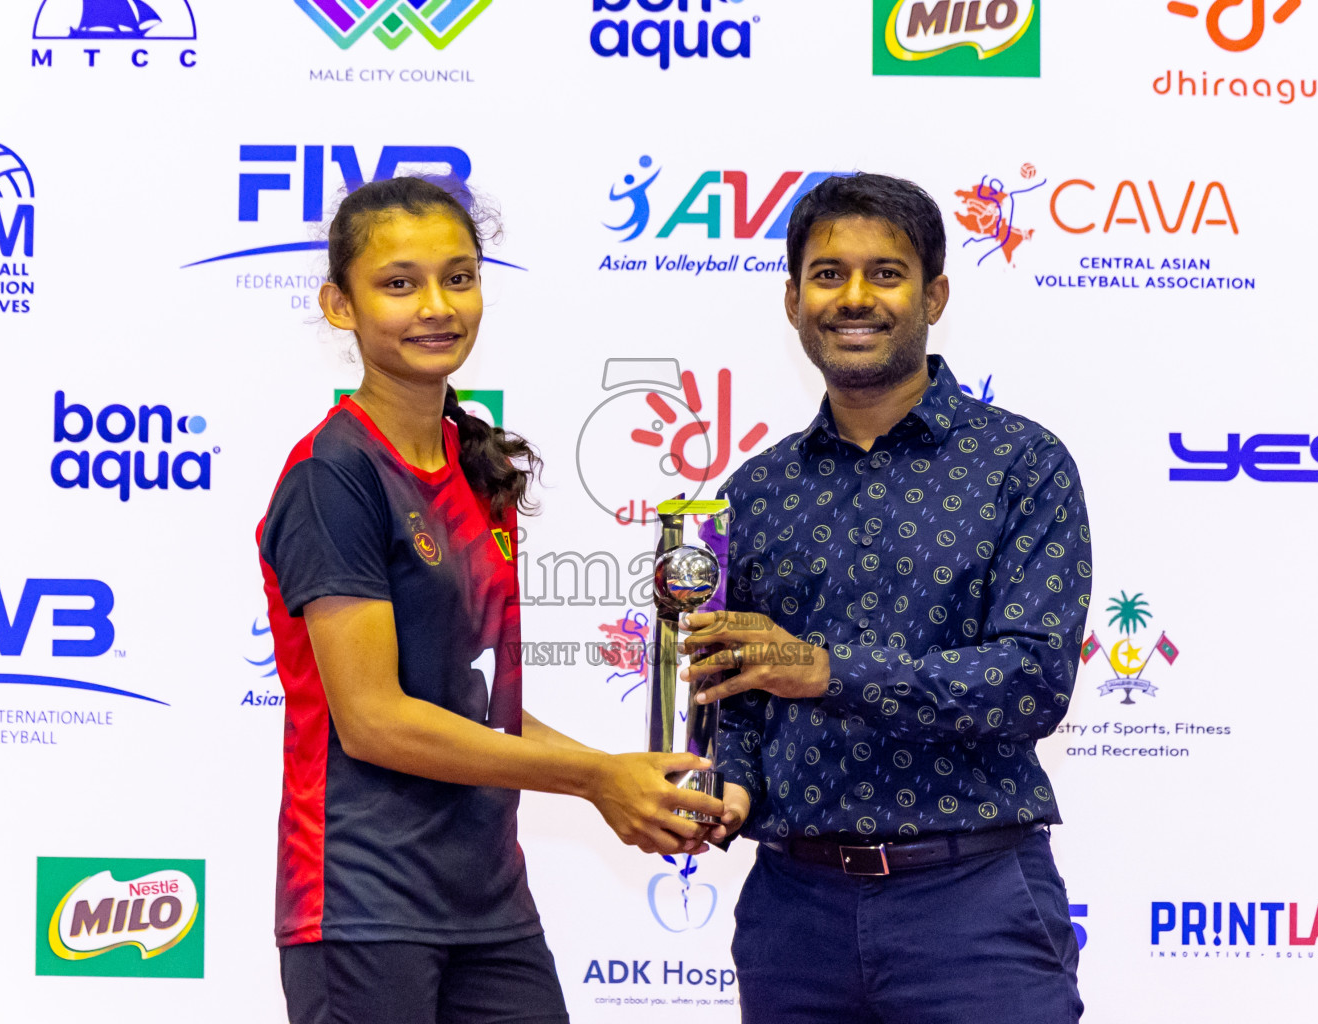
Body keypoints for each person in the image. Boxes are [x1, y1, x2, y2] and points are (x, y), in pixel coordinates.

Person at [256, 176, 724, 1024]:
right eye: (398, 284)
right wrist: (592, 779)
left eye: (459, 277)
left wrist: (630, 775)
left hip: (489, 904)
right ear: (340, 305)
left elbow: (479, 709)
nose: (436, 305)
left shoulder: (477, 466)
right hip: (363, 905)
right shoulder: (335, 476)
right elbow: (375, 718)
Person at [683, 172, 1092, 1023]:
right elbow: (742, 700)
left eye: (887, 273)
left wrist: (824, 670)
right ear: (792, 300)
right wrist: (731, 785)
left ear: (934, 294)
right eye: (828, 275)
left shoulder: (1021, 464)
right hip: (794, 917)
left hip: (972, 902)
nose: (854, 297)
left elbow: (1030, 681)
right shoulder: (755, 492)